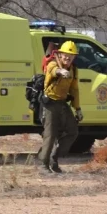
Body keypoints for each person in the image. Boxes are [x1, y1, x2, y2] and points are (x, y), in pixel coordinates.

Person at [38, 41, 83, 174]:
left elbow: (74, 90)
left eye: (71, 55)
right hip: (50, 103)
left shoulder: (73, 69)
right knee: (50, 134)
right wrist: (60, 71)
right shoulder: (53, 64)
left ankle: (54, 158)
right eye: (66, 55)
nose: (68, 58)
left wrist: (78, 108)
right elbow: (53, 71)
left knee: (72, 131)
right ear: (60, 54)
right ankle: (43, 165)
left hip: (62, 103)